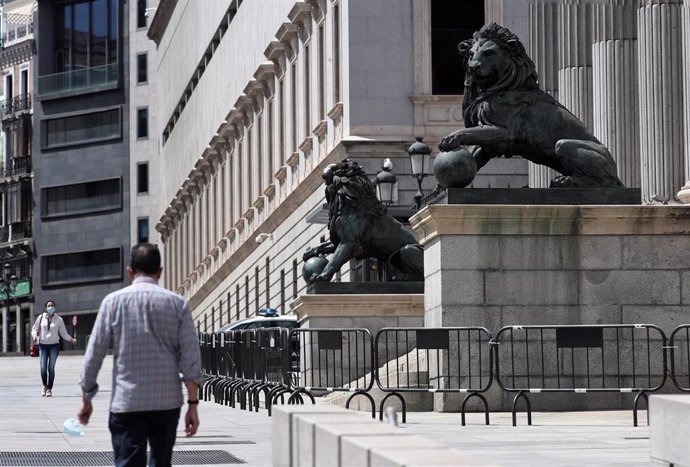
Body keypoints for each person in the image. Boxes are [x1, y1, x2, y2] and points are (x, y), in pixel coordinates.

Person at [78, 243, 203, 467]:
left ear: (129, 271)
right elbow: (191, 358)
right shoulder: (177, 304)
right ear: (160, 271)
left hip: (127, 402)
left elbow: (94, 354)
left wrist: (87, 397)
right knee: (161, 462)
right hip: (166, 403)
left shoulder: (112, 303)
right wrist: (193, 405)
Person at [31, 300, 77, 397]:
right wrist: (34, 336)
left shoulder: (59, 319)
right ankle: (44, 385)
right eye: (48, 306)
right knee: (43, 368)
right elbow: (34, 329)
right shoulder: (40, 318)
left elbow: (63, 333)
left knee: (51, 368)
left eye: (52, 305)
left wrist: (71, 339)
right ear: (46, 308)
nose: (50, 307)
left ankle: (49, 389)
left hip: (54, 346)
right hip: (43, 345)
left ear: (55, 307)